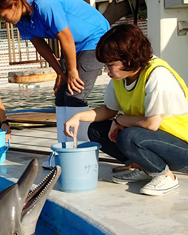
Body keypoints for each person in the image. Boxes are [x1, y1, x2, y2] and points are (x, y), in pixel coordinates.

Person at [64, 24, 188, 196]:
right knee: (96, 130)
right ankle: (145, 167)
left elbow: (151, 124)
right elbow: (109, 110)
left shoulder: (157, 75)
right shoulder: (121, 76)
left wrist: (119, 120)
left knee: (128, 137)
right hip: (155, 141)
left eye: (110, 65)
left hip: (182, 148)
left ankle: (165, 176)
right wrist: (78, 117)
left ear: (129, 59)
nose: (106, 71)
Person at [0, 0, 109, 148]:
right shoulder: (20, 19)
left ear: (14, 4)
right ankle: (64, 148)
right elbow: (40, 46)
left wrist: (72, 71)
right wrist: (60, 73)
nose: (2, 19)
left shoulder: (44, 4)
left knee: (74, 93)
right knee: (60, 95)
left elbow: (66, 37)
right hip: (74, 44)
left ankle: (80, 149)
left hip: (95, 38)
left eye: (2, 15)